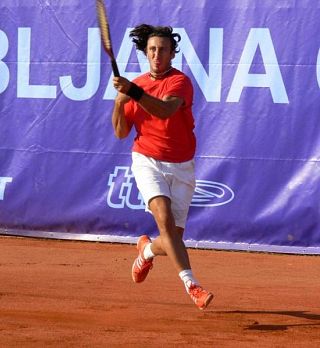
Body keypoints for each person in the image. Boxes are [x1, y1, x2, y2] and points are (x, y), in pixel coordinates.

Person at [111, 24, 213, 310]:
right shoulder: (135, 86)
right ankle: (192, 285)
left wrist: (133, 91)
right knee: (165, 223)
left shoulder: (180, 82)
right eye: (153, 49)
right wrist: (120, 102)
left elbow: (166, 111)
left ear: (171, 53)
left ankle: (145, 251)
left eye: (163, 50)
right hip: (147, 160)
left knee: (172, 240)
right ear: (146, 52)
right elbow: (121, 133)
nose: (157, 54)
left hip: (182, 165)